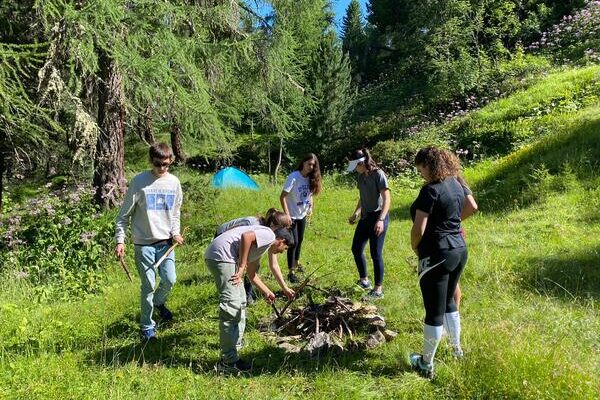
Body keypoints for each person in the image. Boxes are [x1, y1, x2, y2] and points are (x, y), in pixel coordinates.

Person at [408, 146, 474, 379]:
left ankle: (426, 364)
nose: (421, 174)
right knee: (449, 304)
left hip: (436, 253)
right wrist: (452, 223)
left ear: (430, 165)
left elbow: (419, 228)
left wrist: (415, 246)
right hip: (459, 249)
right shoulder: (457, 183)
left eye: (421, 169)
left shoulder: (430, 191)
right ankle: (457, 351)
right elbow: (471, 206)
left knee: (434, 311)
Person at [115, 143, 184, 341]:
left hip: (166, 243)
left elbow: (175, 212)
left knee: (170, 279)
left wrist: (176, 233)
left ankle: (158, 303)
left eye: (166, 164)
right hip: (143, 244)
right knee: (148, 285)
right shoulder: (139, 182)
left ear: (170, 161)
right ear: (150, 161)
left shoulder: (174, 183)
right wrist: (120, 241)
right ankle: (147, 326)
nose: (162, 168)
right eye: (158, 164)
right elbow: (123, 216)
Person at [205, 225, 295, 371]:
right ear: (281, 240)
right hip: (222, 257)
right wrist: (241, 267)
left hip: (225, 257)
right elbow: (246, 236)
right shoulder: (269, 235)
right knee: (232, 307)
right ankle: (228, 362)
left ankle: (236, 345)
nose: (281, 252)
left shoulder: (260, 247)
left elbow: (252, 274)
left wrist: (266, 291)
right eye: (284, 249)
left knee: (241, 301)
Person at [214, 208, 292, 304]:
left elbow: (274, 264)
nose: (284, 232)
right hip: (223, 239)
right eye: (283, 229)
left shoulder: (271, 237)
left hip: (233, 244)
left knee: (252, 264)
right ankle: (239, 297)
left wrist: (285, 287)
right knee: (242, 267)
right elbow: (242, 237)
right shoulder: (257, 227)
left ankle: (245, 295)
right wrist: (242, 265)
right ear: (276, 226)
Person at [347, 148, 391, 300]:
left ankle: (378, 290)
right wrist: (356, 213)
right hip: (365, 217)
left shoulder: (378, 174)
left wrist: (380, 220)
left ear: (362, 162)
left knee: (375, 253)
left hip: (378, 217)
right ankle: (364, 280)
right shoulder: (360, 177)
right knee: (356, 248)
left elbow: (387, 199)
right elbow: (362, 198)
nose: (355, 170)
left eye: (356, 166)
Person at [441, 150, 479, 310]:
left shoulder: (455, 181)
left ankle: (452, 312)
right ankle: (451, 313)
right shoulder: (451, 181)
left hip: (449, 235)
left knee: (451, 279)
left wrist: (451, 221)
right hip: (451, 235)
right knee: (451, 278)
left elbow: (472, 206)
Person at [280, 153, 322, 283]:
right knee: (293, 243)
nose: (310, 167)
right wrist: (287, 215)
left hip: (302, 214)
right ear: (303, 162)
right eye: (308, 164)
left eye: (313, 165)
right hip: (291, 216)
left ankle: (297, 264)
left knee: (301, 240)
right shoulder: (294, 177)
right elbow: (282, 196)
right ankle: (291, 272)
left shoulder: (311, 178)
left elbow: (310, 195)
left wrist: (310, 207)